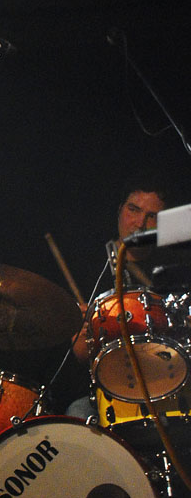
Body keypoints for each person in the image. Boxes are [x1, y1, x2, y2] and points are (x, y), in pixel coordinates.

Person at [65, 174, 181, 418]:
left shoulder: (172, 271)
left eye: (152, 216)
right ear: (120, 211)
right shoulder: (86, 265)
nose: (140, 223)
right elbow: (78, 352)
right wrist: (81, 333)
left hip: (162, 383)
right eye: (133, 210)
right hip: (105, 390)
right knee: (77, 412)